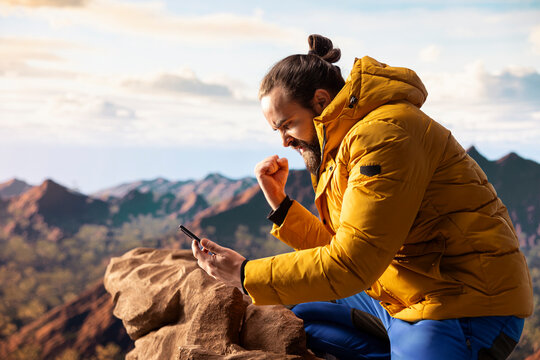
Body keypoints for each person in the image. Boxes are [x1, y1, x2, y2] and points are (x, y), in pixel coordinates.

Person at [191, 34, 533, 359]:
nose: (284, 141)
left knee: (287, 299)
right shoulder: (341, 144)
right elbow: (344, 247)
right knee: (298, 312)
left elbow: (350, 265)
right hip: (400, 293)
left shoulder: (383, 136)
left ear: (321, 101)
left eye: (287, 125)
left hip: (463, 305)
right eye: (277, 130)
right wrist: (281, 206)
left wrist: (245, 274)